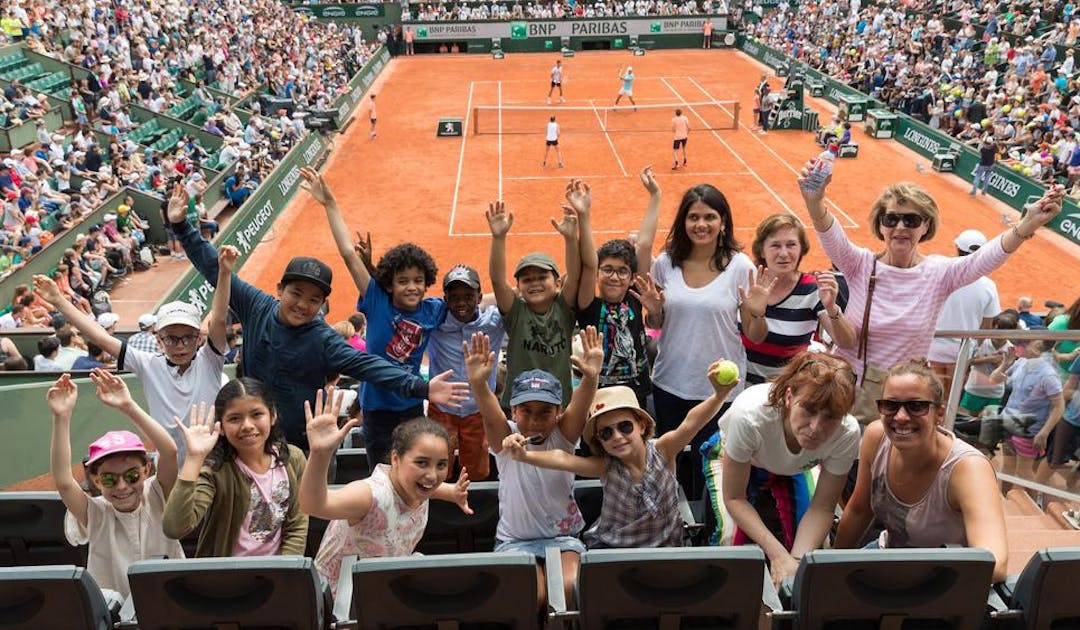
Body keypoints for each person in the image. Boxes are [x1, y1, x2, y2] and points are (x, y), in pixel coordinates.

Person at [166, 183, 468, 451]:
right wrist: (181, 227)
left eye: (313, 300)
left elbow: (371, 366)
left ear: (322, 304)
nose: (302, 305)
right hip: (250, 441)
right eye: (296, 293)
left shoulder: (324, 340)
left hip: (302, 448)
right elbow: (211, 267)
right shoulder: (255, 305)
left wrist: (421, 387)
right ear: (280, 289)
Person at [798, 166, 1065, 424]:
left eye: (911, 220)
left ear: (925, 225)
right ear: (881, 225)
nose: (900, 226)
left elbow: (986, 258)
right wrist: (814, 200)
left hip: (900, 399)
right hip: (847, 391)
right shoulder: (859, 264)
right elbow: (827, 230)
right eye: (891, 219)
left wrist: (1027, 224)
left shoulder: (939, 272)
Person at [300, 168, 455, 467]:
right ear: (389, 284)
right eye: (403, 280)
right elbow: (348, 253)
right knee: (380, 475)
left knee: (412, 472)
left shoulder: (432, 309)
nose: (412, 286)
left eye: (418, 280)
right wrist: (330, 204)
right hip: (376, 409)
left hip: (411, 404)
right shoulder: (377, 301)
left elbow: (474, 301)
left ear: (427, 282)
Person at [632, 183, 772, 498]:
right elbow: (657, 322)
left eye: (710, 217)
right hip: (671, 383)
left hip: (721, 392)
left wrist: (757, 313)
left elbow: (754, 334)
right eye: (693, 217)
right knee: (673, 464)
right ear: (683, 222)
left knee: (715, 469)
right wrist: (653, 313)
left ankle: (712, 532)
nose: (701, 225)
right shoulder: (666, 263)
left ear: (723, 222)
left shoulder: (740, 267)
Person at [504, 362, 736, 549]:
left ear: (642, 425)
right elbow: (563, 459)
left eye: (625, 427)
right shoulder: (605, 465)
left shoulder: (663, 450)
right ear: (599, 441)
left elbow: (690, 424)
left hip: (667, 549)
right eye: (606, 433)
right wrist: (524, 456)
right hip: (615, 551)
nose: (616, 436)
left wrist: (718, 396)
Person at [33, 261, 229, 466]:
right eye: (171, 338)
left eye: (188, 337)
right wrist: (58, 300)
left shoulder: (210, 361)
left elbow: (219, 319)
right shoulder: (148, 364)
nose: (180, 346)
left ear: (199, 339)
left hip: (213, 465)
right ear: (159, 341)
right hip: (169, 468)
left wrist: (224, 273)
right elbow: (101, 338)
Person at [464, 329, 602, 611]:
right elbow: (490, 414)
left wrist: (591, 377)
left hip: (563, 539)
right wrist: (479, 384)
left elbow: (582, 403)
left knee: (568, 587)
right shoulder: (505, 439)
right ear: (513, 411)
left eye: (544, 412)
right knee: (533, 595)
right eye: (526, 410)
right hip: (514, 540)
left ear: (558, 412)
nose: (535, 420)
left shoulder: (563, 437)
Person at [835, 360, 1008, 583]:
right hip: (886, 557)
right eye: (890, 405)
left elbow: (994, 563)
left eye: (916, 406)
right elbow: (860, 510)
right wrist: (835, 572)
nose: (901, 417)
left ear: (939, 414)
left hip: (942, 579)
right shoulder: (876, 437)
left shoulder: (967, 469)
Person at [704, 352, 859, 592]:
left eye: (830, 417)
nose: (816, 428)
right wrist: (778, 555)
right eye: (808, 409)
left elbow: (823, 507)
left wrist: (796, 562)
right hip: (736, 459)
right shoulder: (750, 416)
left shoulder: (847, 432)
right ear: (789, 396)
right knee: (730, 541)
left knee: (818, 549)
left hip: (796, 468)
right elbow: (734, 498)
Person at [300, 389, 471, 595]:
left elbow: (433, 489)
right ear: (395, 458)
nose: (432, 475)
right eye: (421, 463)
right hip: (339, 604)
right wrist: (319, 453)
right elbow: (313, 505)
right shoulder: (368, 495)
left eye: (441, 464)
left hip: (383, 588)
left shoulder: (419, 488)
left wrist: (452, 492)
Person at [49, 370, 184, 598]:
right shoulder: (96, 512)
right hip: (116, 613)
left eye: (131, 476)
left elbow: (169, 451)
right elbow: (63, 482)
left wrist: (128, 405)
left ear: (146, 470)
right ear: (96, 479)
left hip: (171, 601)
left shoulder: (158, 493)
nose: (122, 486)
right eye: (110, 479)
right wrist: (61, 417)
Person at [163, 378, 308, 557]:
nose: (247, 426)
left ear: (273, 416)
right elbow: (175, 528)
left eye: (257, 414)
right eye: (234, 418)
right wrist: (194, 458)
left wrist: (284, 573)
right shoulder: (214, 470)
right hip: (226, 576)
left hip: (278, 575)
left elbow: (296, 526)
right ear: (221, 427)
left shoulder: (293, 458)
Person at [574, 168, 658, 408]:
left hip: (636, 393)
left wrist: (655, 195)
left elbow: (644, 244)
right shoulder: (589, 304)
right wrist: (584, 215)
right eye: (607, 269)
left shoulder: (634, 297)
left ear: (632, 277)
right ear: (598, 273)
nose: (614, 277)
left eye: (622, 271)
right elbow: (589, 263)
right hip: (597, 396)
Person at [741, 214, 855, 385]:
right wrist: (757, 312)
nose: (784, 253)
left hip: (786, 391)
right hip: (742, 389)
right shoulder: (749, 283)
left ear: (802, 249)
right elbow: (755, 337)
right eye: (775, 245)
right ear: (761, 250)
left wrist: (832, 308)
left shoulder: (811, 290)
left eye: (791, 245)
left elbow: (846, 342)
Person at [488, 199, 581, 408]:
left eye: (541, 277)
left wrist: (570, 239)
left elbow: (574, 276)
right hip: (520, 403)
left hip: (559, 402)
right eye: (527, 280)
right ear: (518, 287)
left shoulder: (563, 308)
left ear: (557, 283)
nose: (535, 283)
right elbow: (496, 279)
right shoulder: (516, 312)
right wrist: (498, 237)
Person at [427, 265, 504, 481]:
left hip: (478, 410)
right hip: (442, 409)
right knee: (437, 466)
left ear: (480, 297)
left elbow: (519, 299)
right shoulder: (433, 324)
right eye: (454, 297)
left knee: (477, 469)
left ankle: (475, 505)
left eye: (469, 296)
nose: (461, 302)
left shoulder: (495, 322)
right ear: (445, 299)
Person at [928, 230, 1000, 396]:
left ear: (957, 247)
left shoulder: (938, 269)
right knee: (949, 397)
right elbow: (986, 328)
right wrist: (973, 348)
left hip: (932, 344)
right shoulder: (989, 286)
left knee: (929, 393)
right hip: (961, 350)